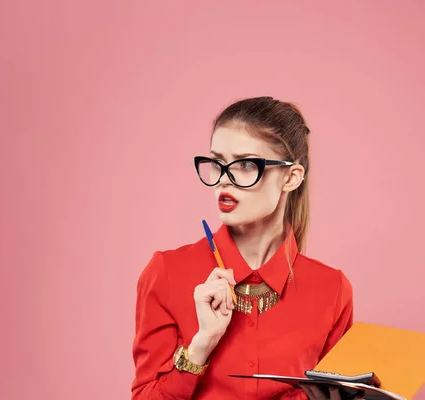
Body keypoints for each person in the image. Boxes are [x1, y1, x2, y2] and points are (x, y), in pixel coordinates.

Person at [131, 96, 357, 399]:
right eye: (216, 163)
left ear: (291, 177)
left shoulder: (332, 289)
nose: (224, 179)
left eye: (246, 164)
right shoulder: (167, 273)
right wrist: (201, 345)